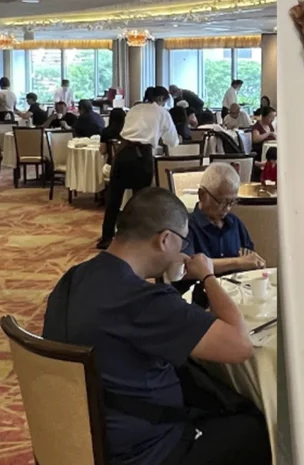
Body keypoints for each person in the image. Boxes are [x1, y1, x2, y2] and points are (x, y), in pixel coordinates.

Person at [43, 188, 269, 465]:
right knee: (254, 429)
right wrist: (207, 276)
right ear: (165, 240)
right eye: (182, 242)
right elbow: (240, 345)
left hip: (77, 434)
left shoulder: (74, 276)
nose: (182, 251)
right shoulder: (143, 301)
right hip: (144, 448)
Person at [99, 87, 180, 248]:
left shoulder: (134, 109)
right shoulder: (161, 112)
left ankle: (106, 237)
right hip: (142, 156)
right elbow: (172, 140)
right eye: (164, 101)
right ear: (160, 99)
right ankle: (137, 239)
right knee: (141, 200)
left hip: (122, 153)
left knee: (114, 198)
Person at [188, 163, 265, 274]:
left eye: (232, 202)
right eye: (222, 202)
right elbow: (187, 268)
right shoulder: (187, 226)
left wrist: (254, 262)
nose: (228, 208)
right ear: (202, 195)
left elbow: (249, 258)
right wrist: (237, 262)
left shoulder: (235, 223)